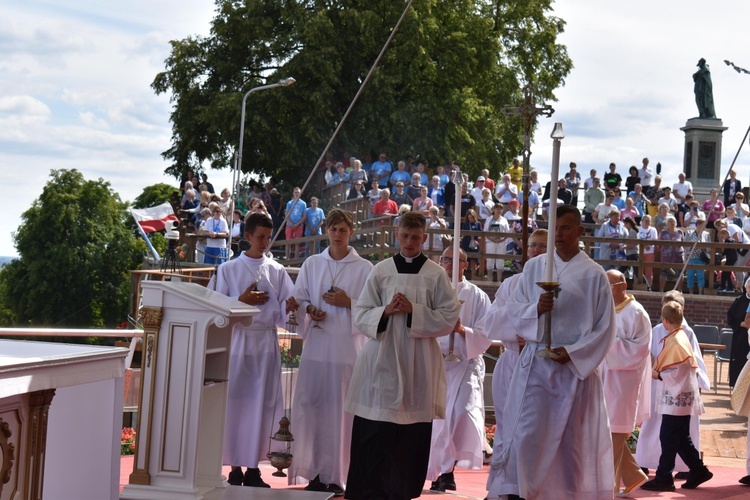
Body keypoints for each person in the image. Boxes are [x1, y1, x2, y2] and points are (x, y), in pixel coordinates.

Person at [487, 205, 616, 499]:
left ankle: (566, 493)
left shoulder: (594, 275)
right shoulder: (534, 267)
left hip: (572, 372)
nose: (559, 234)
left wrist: (573, 352)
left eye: (566, 228)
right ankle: (521, 490)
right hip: (535, 367)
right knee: (527, 434)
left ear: (581, 232)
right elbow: (514, 309)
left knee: (570, 443)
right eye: (555, 228)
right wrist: (536, 308)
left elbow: (605, 327)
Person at [345, 211, 461, 500]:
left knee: (410, 433)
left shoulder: (435, 274)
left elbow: (449, 317)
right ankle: (369, 491)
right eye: (405, 235)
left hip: (418, 360)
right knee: (375, 426)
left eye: (416, 237)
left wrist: (414, 311)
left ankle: (402, 490)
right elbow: (360, 313)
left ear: (424, 237)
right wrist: (386, 310)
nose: (410, 242)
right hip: (382, 357)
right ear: (397, 234)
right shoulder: (381, 270)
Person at [287, 209, 373, 497]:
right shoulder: (312, 264)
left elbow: (373, 310)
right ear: (327, 230)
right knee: (312, 408)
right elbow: (299, 301)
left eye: (343, 230)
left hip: (346, 350)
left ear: (351, 233)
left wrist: (349, 302)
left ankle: (338, 475)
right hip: (316, 347)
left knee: (342, 413)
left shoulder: (364, 269)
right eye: (334, 229)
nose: (338, 235)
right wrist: (310, 310)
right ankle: (313, 472)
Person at [215, 213, 295, 488]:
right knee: (236, 405)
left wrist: (292, 307)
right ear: (247, 236)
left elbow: (287, 308)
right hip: (238, 341)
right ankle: (235, 467)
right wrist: (241, 301)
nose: (264, 242)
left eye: (268, 236)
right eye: (260, 236)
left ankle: (253, 468)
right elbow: (216, 309)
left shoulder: (277, 270)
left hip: (265, 343)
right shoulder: (228, 269)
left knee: (262, 406)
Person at [479, 229, 547, 483]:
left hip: (541, 364)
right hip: (511, 361)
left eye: (542, 246)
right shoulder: (512, 283)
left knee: (532, 428)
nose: (537, 251)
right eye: (533, 246)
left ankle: (528, 484)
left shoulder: (560, 284)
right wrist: (518, 327)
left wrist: (529, 330)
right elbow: (490, 323)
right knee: (506, 426)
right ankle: (500, 485)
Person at [427, 248, 492, 492]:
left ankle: (448, 467)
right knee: (438, 421)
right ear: (440, 262)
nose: (450, 264)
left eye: (457, 260)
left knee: (459, 414)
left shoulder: (477, 296)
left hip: (465, 363)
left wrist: (464, 331)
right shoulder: (430, 290)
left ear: (466, 265)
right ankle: (440, 473)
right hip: (437, 362)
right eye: (446, 259)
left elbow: (486, 333)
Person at [636, 291, 710, 482]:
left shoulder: (678, 339)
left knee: (669, 437)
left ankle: (664, 478)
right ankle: (698, 470)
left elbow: (679, 370)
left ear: (666, 319)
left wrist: (658, 374)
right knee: (679, 437)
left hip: (675, 396)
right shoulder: (673, 335)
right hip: (672, 395)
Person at [602, 270, 651, 496]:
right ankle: (632, 475)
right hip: (602, 378)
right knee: (606, 433)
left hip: (623, 382)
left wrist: (604, 342)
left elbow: (638, 350)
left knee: (612, 436)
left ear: (623, 285)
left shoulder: (636, 313)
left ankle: (607, 490)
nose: (604, 289)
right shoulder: (604, 309)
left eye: (608, 284)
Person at [727, 279, 750, 387]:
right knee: (739, 361)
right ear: (746, 288)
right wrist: (741, 324)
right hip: (741, 337)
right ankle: (737, 387)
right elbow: (730, 318)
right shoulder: (739, 301)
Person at [483, 203, 510, 278]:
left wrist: (501, 239)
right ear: (493, 209)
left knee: (500, 261)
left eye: (500, 209)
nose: (498, 210)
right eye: (497, 208)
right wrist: (492, 239)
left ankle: (499, 280)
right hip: (490, 242)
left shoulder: (504, 220)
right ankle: (489, 279)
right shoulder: (488, 219)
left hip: (501, 242)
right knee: (490, 260)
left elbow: (507, 232)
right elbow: (485, 231)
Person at [684, 218, 710, 294]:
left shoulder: (706, 234)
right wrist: (693, 246)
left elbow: (709, 246)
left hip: (701, 258)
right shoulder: (689, 233)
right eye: (703, 225)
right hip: (691, 257)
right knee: (690, 276)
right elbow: (685, 244)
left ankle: (700, 292)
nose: (704, 227)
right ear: (698, 225)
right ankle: (690, 292)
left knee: (700, 276)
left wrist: (703, 247)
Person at [285, 187, 307, 260]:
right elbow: (287, 214)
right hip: (289, 225)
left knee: (297, 244)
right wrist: (291, 224)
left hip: (299, 225)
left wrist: (297, 224)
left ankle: (295, 260)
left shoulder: (303, 203)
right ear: (293, 193)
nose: (297, 194)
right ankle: (287, 260)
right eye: (295, 192)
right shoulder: (290, 203)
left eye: (298, 192)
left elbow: (304, 216)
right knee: (288, 243)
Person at [638, 215, 658, 288]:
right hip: (639, 252)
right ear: (642, 221)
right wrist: (644, 245)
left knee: (649, 270)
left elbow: (655, 240)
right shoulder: (638, 229)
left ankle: (648, 286)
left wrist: (647, 245)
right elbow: (637, 239)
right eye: (646, 221)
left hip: (650, 252)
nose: (647, 222)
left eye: (649, 221)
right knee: (638, 270)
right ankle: (638, 286)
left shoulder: (653, 230)